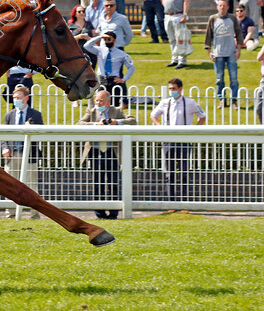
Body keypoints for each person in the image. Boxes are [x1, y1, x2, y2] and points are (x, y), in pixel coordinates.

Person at [77, 89, 136, 220]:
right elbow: (79, 124)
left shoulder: (116, 111)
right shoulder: (91, 111)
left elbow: (133, 121)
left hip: (111, 153)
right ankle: (100, 213)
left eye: (101, 100)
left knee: (114, 182)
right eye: (96, 100)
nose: (98, 102)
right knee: (97, 183)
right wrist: (95, 124)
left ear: (108, 102)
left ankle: (114, 213)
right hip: (96, 153)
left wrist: (117, 122)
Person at [150, 78, 206, 203]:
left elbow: (202, 116)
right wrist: (160, 126)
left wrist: (193, 130)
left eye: (174, 89)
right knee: (169, 172)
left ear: (180, 89)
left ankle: (185, 201)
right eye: (170, 89)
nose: (171, 91)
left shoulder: (190, 103)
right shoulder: (165, 102)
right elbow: (153, 115)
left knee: (184, 171)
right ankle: (171, 201)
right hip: (168, 139)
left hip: (184, 139)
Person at [0, 85, 43, 219]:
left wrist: (33, 129)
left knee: (31, 184)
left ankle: (35, 214)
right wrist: (4, 148)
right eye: (14, 98)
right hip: (13, 155)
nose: (16, 100)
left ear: (26, 98)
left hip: (29, 155)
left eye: (18, 97)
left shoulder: (35, 115)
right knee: (9, 184)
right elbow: (3, 135)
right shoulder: (9, 115)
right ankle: (10, 213)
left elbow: (42, 134)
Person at [205, 0, 242, 109]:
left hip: (231, 52)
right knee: (219, 79)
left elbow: (239, 33)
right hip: (218, 53)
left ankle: (233, 101)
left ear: (228, 7)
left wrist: (239, 49)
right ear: (217, 7)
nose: (222, 7)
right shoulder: (213, 18)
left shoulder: (232, 18)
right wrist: (209, 51)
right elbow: (208, 35)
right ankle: (222, 100)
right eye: (220, 5)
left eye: (224, 5)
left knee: (234, 78)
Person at [83, 32, 134, 107]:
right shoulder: (100, 50)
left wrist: (124, 79)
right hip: (102, 80)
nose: (107, 41)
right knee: (100, 103)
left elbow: (131, 67)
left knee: (114, 104)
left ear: (114, 40)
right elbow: (87, 46)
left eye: (109, 39)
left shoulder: (121, 54)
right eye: (105, 39)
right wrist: (99, 37)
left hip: (114, 81)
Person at [162, 0, 192, 69]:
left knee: (180, 38)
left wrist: (184, 14)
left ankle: (182, 60)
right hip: (168, 15)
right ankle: (174, 59)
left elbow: (186, 0)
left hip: (178, 14)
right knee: (172, 39)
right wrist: (165, 5)